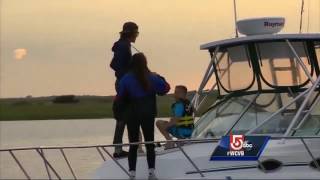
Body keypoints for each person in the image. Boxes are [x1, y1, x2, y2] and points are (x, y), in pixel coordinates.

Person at [115, 53, 170, 179]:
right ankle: (151, 173)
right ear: (145, 63)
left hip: (131, 115)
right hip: (148, 113)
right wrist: (159, 76)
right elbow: (166, 88)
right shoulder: (151, 77)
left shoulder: (126, 78)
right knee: (149, 143)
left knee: (133, 144)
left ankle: (132, 174)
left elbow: (119, 97)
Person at [110, 22, 139, 158]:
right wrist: (127, 76)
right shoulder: (124, 46)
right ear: (132, 33)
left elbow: (113, 64)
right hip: (124, 83)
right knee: (123, 117)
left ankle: (119, 148)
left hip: (122, 82)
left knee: (124, 116)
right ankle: (119, 149)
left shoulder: (121, 45)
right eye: (136, 33)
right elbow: (116, 65)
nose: (137, 36)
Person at [156, 85, 194, 149]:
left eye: (178, 92)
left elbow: (175, 121)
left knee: (159, 122)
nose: (175, 94)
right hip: (190, 132)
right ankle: (179, 141)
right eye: (175, 92)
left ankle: (170, 142)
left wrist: (165, 127)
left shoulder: (179, 105)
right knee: (169, 124)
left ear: (184, 94)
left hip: (180, 132)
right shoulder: (189, 104)